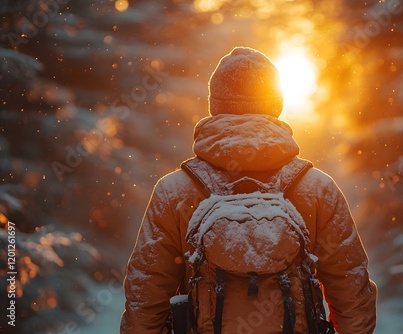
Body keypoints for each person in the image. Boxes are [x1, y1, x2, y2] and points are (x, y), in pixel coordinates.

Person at [120, 46, 377, 334]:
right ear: (276, 105)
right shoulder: (317, 189)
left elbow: (145, 294)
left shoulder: (175, 191)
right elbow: (352, 289)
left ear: (214, 106)